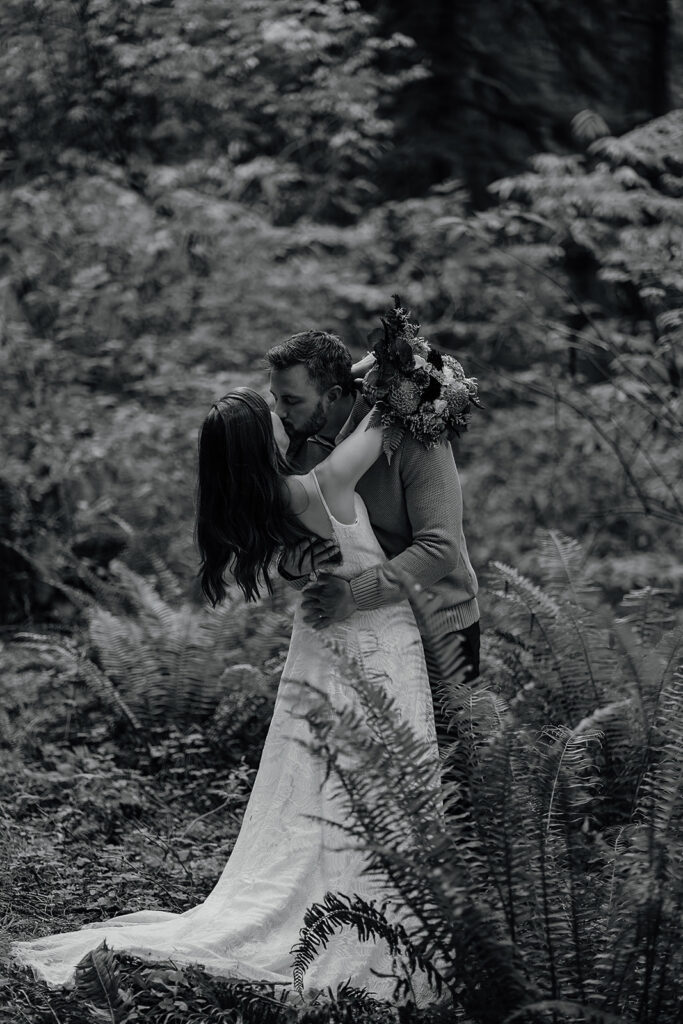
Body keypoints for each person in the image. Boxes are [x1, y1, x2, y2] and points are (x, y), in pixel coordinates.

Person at [12, 387, 441, 1004]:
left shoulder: (271, 501)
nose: (280, 412)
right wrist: (416, 370)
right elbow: (388, 420)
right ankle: (380, 914)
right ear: (263, 442)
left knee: (332, 782)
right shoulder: (324, 482)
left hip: (321, 649)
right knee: (379, 780)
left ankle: (359, 899)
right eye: (273, 412)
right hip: (372, 644)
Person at [268, 331, 480, 727]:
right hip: (360, 631)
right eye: (276, 397)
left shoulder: (415, 430)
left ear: (332, 396)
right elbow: (309, 553)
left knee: (451, 776)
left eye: (291, 401)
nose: (279, 411)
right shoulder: (300, 448)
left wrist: (357, 593)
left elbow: (439, 547)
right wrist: (294, 569)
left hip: (437, 628)